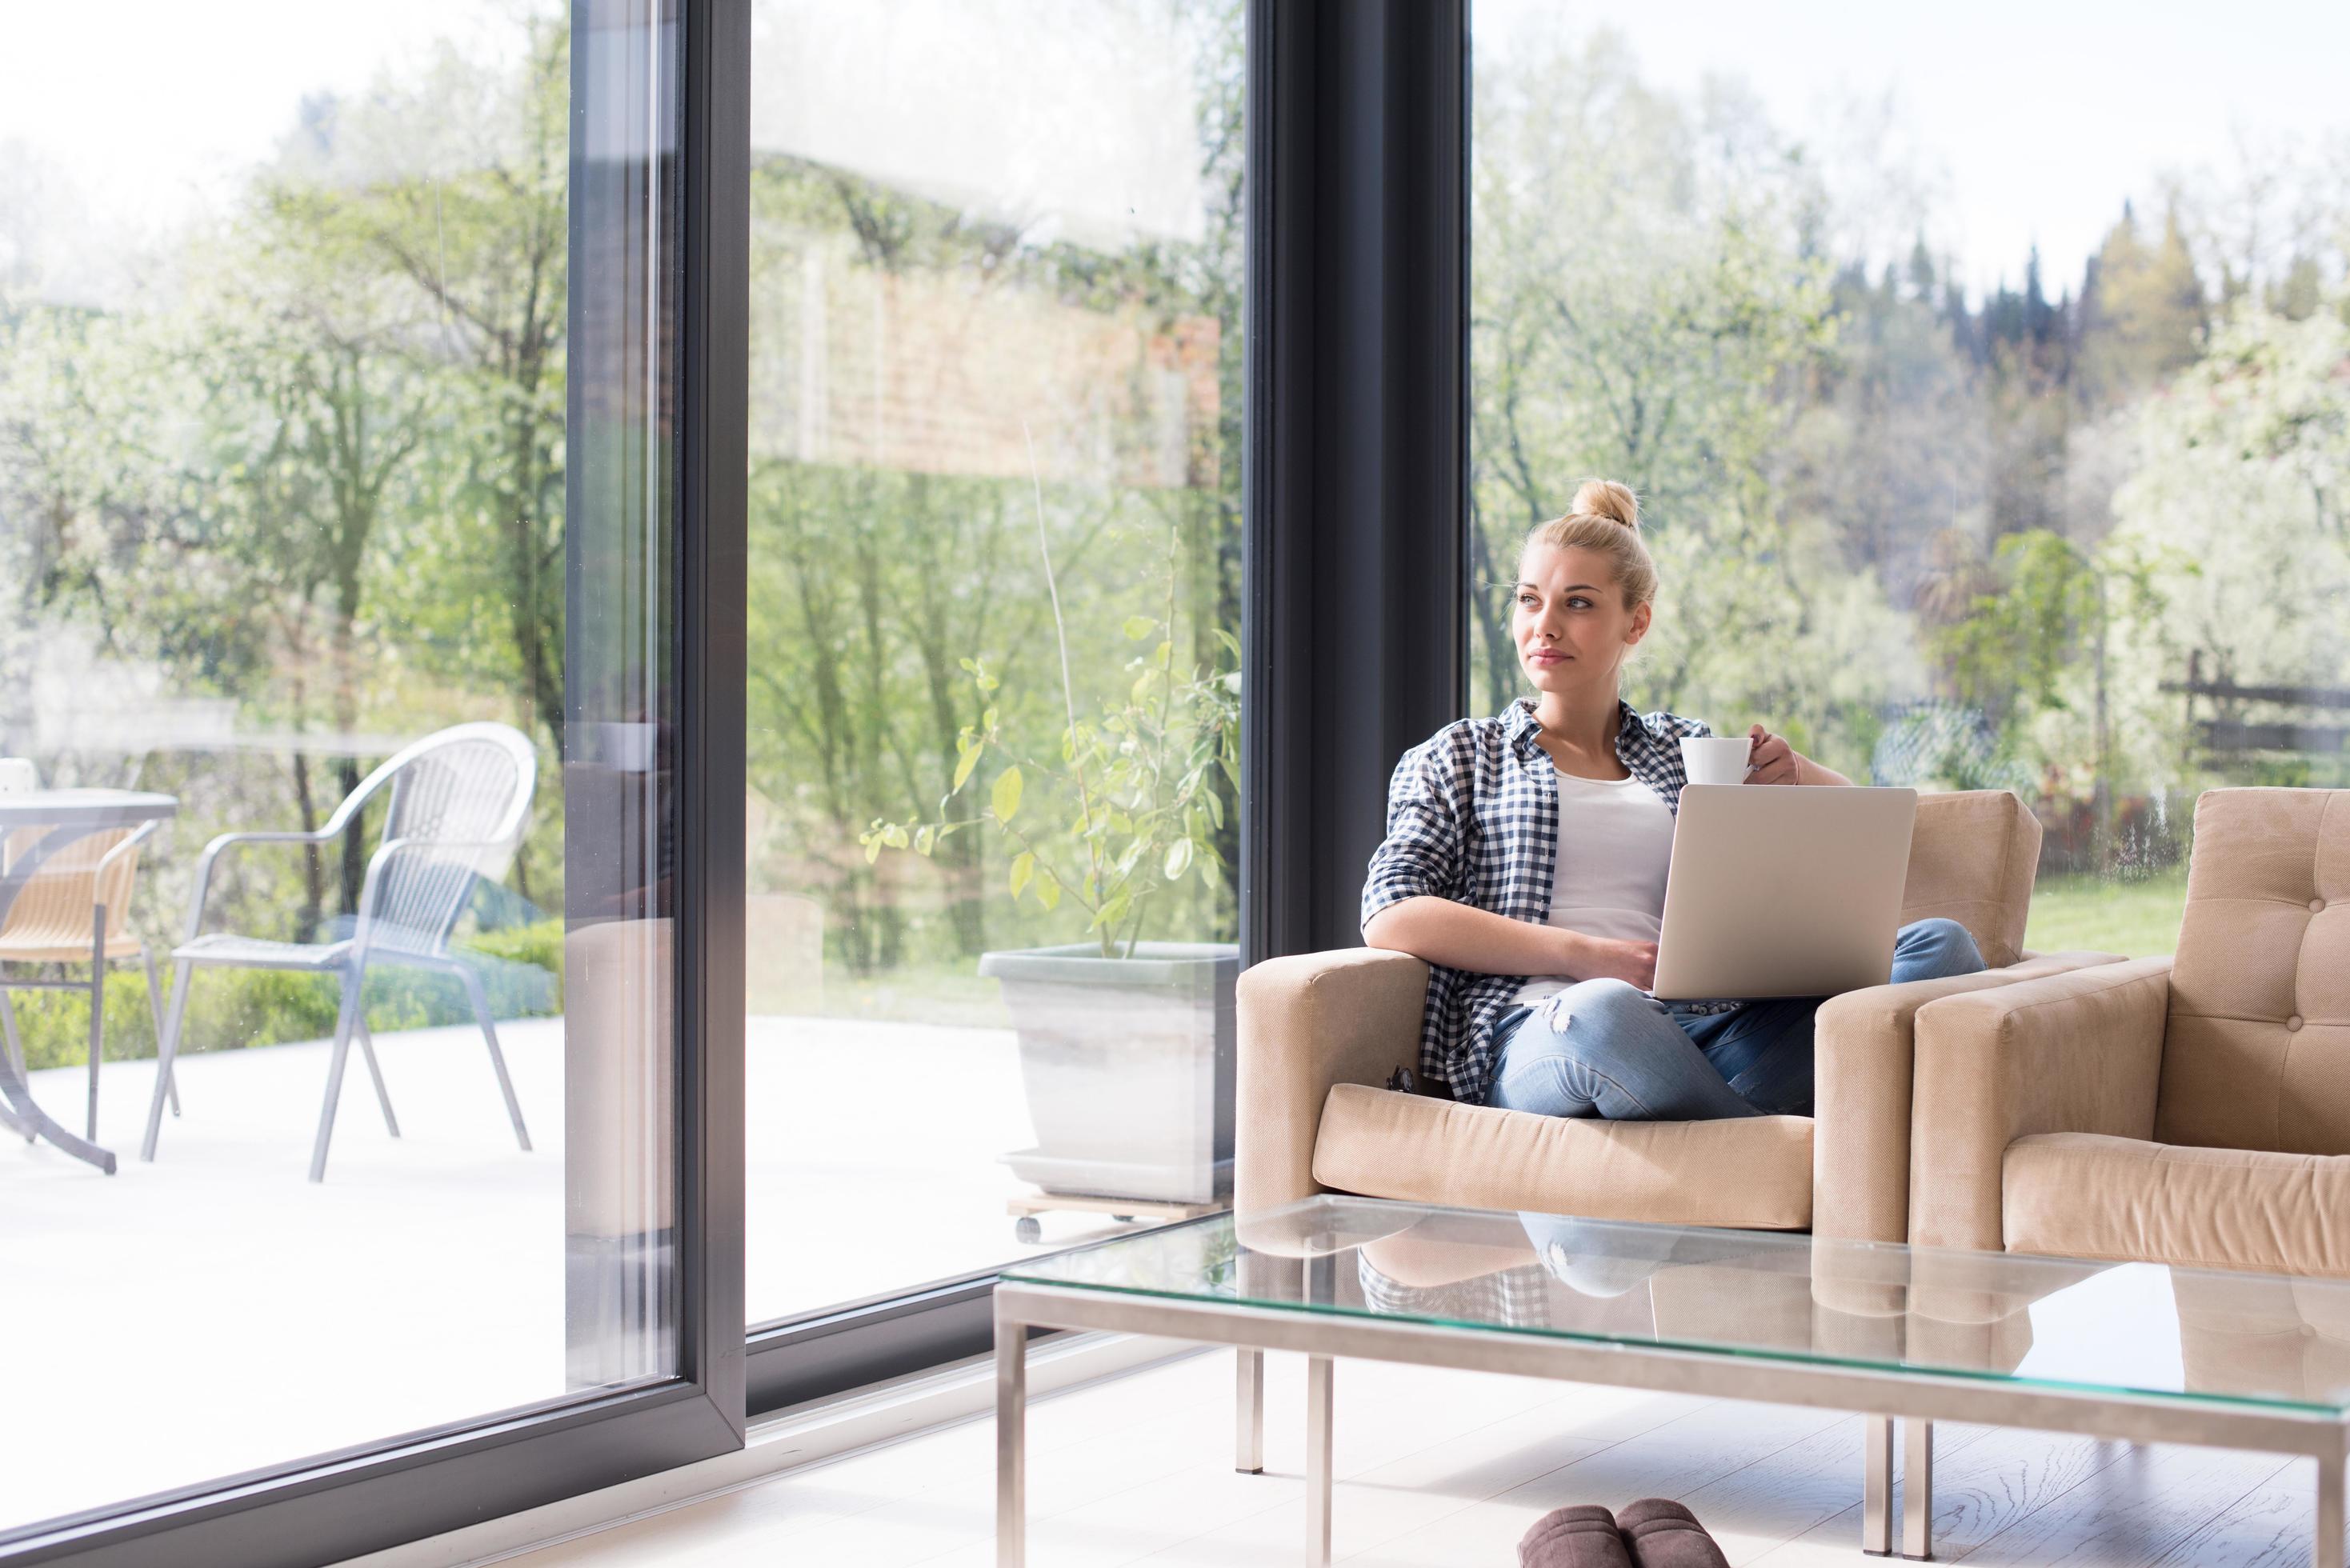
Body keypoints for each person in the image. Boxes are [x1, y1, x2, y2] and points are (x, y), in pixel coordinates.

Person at [1359, 478, 1984, 1122]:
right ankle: (1770, 1144)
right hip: (1549, 1030)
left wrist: (1796, 773)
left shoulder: (1684, 748)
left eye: (1576, 603)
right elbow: (1391, 912)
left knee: (1941, 948)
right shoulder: (1460, 754)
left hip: (1708, 1030)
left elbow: (1860, 837)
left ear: (1637, 620)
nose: (1543, 626)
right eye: (1527, 600)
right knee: (1605, 1011)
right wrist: (1587, 956)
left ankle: (1715, 1121)